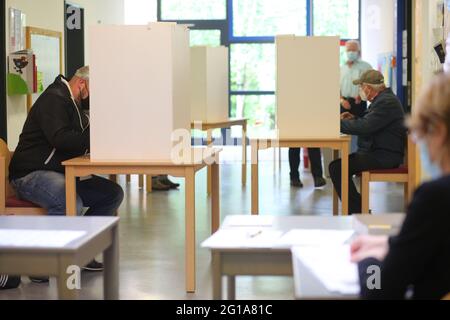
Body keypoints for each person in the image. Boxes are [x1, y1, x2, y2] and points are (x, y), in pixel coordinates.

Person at [9, 66, 124, 275]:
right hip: (30, 174)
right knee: (69, 201)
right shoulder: (54, 99)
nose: (92, 99)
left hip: (59, 171)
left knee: (112, 194)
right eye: (92, 92)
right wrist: (98, 136)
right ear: (82, 83)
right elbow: (61, 139)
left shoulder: (73, 102)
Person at [351, 73, 450, 300]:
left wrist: (369, 261)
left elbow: (378, 291)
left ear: (440, 132)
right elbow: (430, 244)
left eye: (420, 129)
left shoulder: (435, 197)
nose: (415, 139)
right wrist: (390, 244)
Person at [329, 70, 406, 214]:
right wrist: (353, 119)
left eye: (361, 87)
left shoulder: (386, 102)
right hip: (379, 152)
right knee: (337, 167)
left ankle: (359, 211)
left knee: (337, 168)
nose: (360, 90)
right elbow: (370, 123)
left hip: (384, 156)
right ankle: (359, 209)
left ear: (368, 88)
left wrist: (335, 124)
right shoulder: (382, 100)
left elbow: (366, 127)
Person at [340, 40, 373, 152]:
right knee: (343, 131)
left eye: (353, 50)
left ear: (358, 51)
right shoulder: (341, 68)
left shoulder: (366, 66)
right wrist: (341, 100)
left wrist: (361, 96)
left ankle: (356, 153)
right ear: (345, 51)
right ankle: (344, 156)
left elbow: (371, 84)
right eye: (349, 50)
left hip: (359, 102)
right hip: (344, 103)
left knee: (359, 130)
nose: (351, 52)